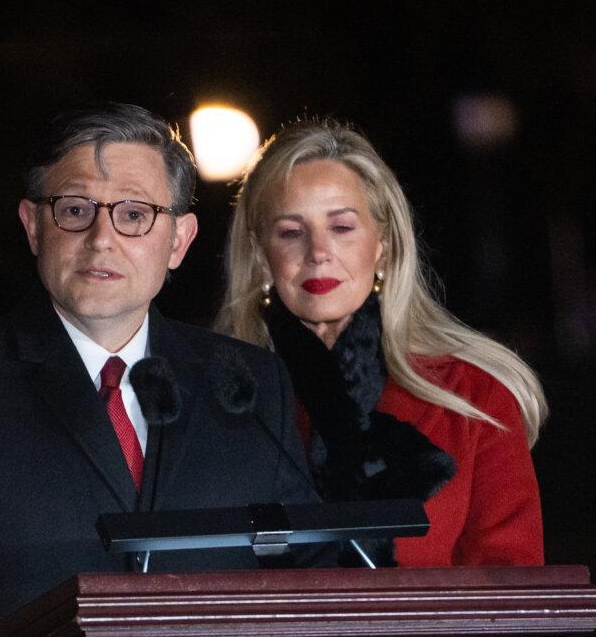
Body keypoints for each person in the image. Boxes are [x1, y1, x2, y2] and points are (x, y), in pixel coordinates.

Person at [0, 104, 323, 637]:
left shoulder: (248, 384)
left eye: (134, 214)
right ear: (32, 226)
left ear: (179, 240)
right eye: (75, 211)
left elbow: (312, 569)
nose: (102, 239)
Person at [217, 118, 546, 567]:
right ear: (260, 255)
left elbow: (509, 607)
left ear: (383, 246)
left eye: (342, 227)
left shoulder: (474, 397)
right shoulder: (216, 399)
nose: (317, 252)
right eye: (291, 232)